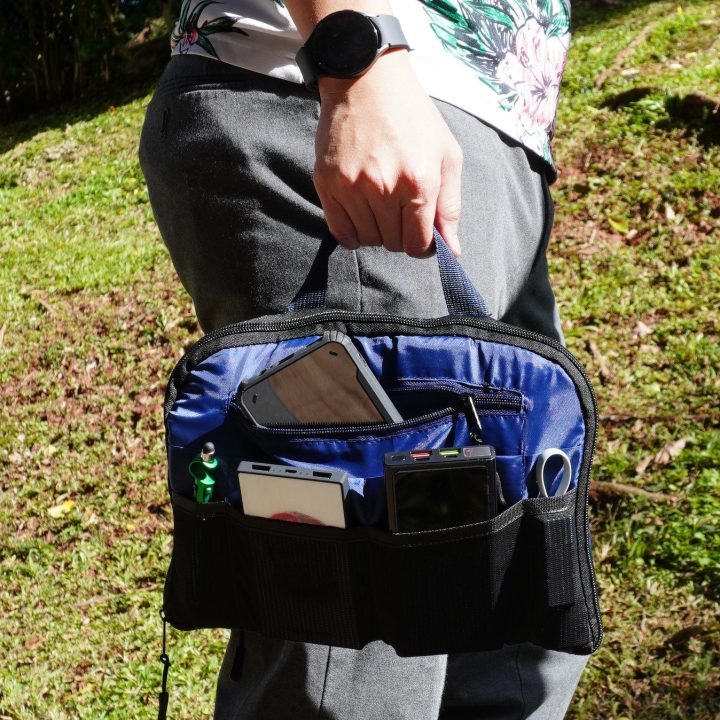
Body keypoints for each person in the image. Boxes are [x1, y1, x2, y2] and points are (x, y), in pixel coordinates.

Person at [139, 1, 587, 717]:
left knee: (515, 605)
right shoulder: (359, 74)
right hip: (342, 97)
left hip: (485, 132)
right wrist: (356, 56)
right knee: (355, 644)